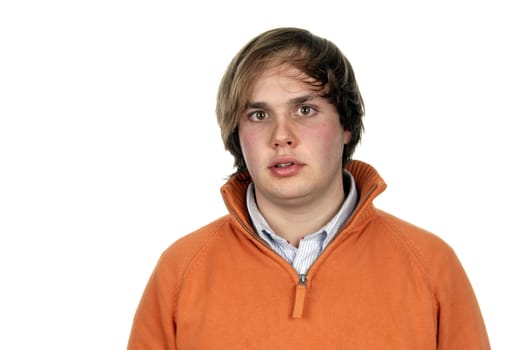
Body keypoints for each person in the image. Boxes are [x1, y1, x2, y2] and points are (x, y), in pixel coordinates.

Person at [127, 27, 490, 349]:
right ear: (237, 136)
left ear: (346, 125)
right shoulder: (180, 271)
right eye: (259, 115)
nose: (281, 136)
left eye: (305, 110)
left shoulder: (431, 266)